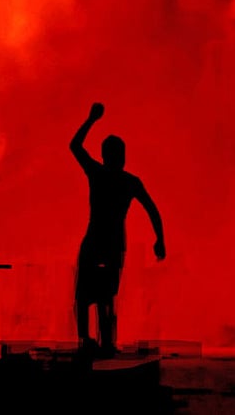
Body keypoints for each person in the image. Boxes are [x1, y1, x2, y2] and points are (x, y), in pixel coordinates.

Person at [69, 103, 165, 359]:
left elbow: (75, 146)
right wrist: (160, 239)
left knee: (90, 294)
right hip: (109, 242)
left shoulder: (101, 175)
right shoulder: (126, 181)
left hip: (97, 240)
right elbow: (152, 209)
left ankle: (90, 340)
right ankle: (101, 341)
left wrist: (90, 120)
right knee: (103, 295)